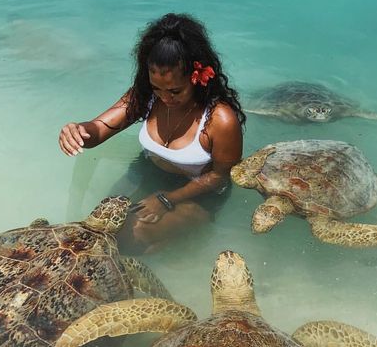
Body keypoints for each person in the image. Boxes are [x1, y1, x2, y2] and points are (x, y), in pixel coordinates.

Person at [58, 13, 245, 254]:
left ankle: (173, 244)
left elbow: (220, 177)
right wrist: (77, 130)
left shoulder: (221, 119)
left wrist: (168, 199)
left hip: (198, 191)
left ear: (197, 78)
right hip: (147, 172)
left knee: (132, 238)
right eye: (157, 88)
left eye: (175, 90)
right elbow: (99, 130)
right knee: (97, 232)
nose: (165, 98)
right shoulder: (145, 96)